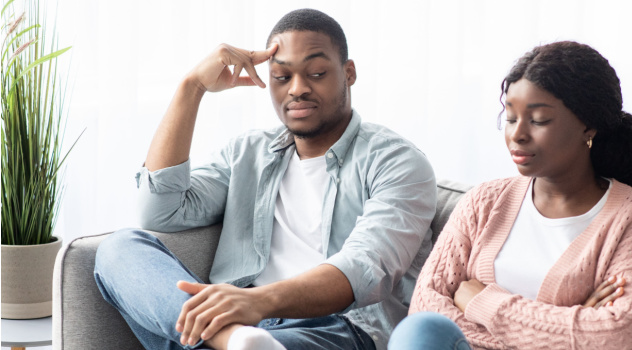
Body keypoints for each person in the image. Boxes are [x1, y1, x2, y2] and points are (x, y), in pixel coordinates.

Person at [94, 9, 436, 350]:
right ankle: (233, 341)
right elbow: (161, 211)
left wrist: (257, 302)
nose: (298, 89)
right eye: (282, 77)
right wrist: (192, 86)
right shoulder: (249, 152)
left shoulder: (397, 162)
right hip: (245, 326)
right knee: (118, 248)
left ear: (349, 73)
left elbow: (363, 269)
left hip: (335, 328)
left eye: (316, 73)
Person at [389, 41, 632, 350]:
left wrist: (482, 302)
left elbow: (617, 339)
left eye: (538, 120)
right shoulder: (484, 201)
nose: (517, 134)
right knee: (421, 330)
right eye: (510, 118)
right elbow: (425, 308)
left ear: (588, 127)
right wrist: (564, 329)